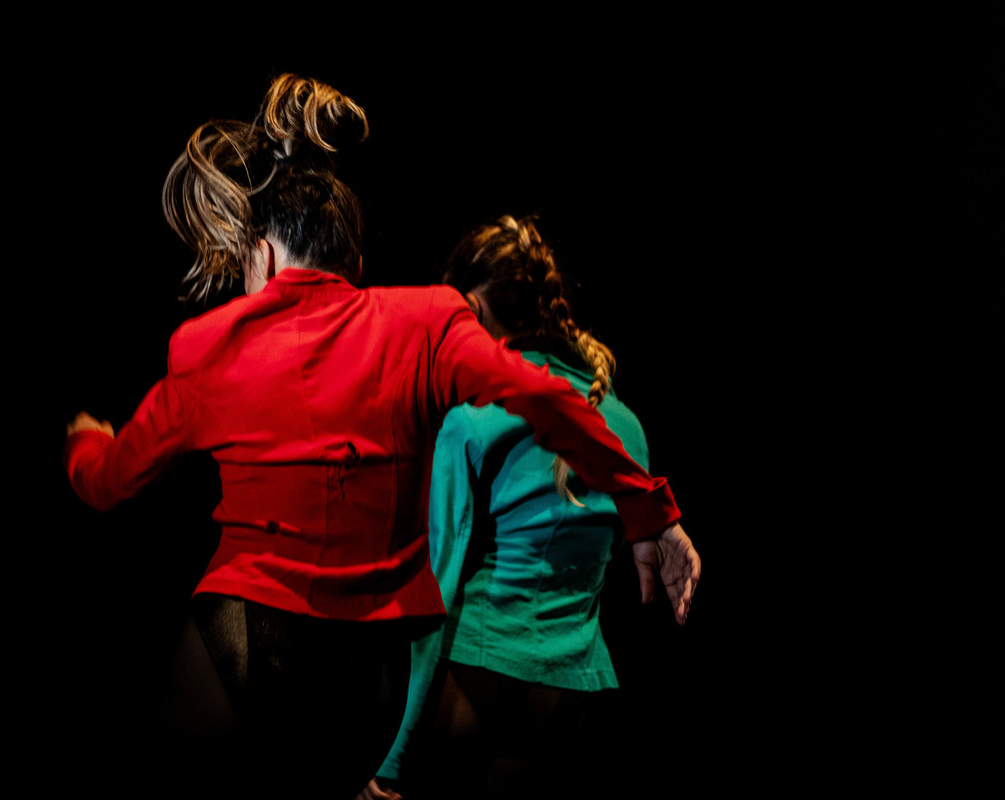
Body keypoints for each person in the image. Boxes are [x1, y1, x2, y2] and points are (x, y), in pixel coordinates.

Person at [63, 75, 692, 799]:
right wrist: (649, 513)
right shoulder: (426, 322)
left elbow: (107, 484)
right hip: (371, 663)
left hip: (251, 623)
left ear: (262, 256)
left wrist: (85, 441)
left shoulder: (209, 345)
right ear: (355, 266)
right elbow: (550, 398)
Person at [361, 216, 701, 800]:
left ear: (470, 307)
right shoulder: (626, 424)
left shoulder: (471, 416)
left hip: (475, 677)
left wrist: (392, 762)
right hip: (571, 698)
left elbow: (438, 584)